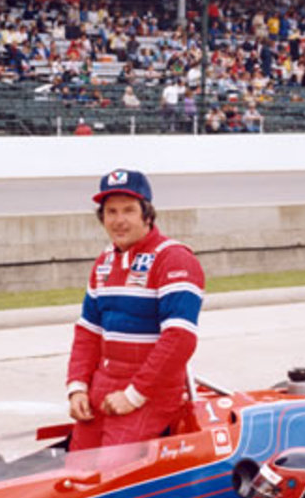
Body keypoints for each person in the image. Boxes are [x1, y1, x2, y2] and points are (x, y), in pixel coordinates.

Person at [65, 169, 205, 451]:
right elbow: (87, 333)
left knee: (110, 477)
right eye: (111, 211)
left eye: (129, 210)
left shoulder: (174, 259)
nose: (119, 221)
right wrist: (77, 387)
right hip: (102, 388)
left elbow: (179, 339)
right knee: (75, 472)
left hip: (151, 393)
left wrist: (134, 395)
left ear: (148, 214)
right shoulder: (103, 263)